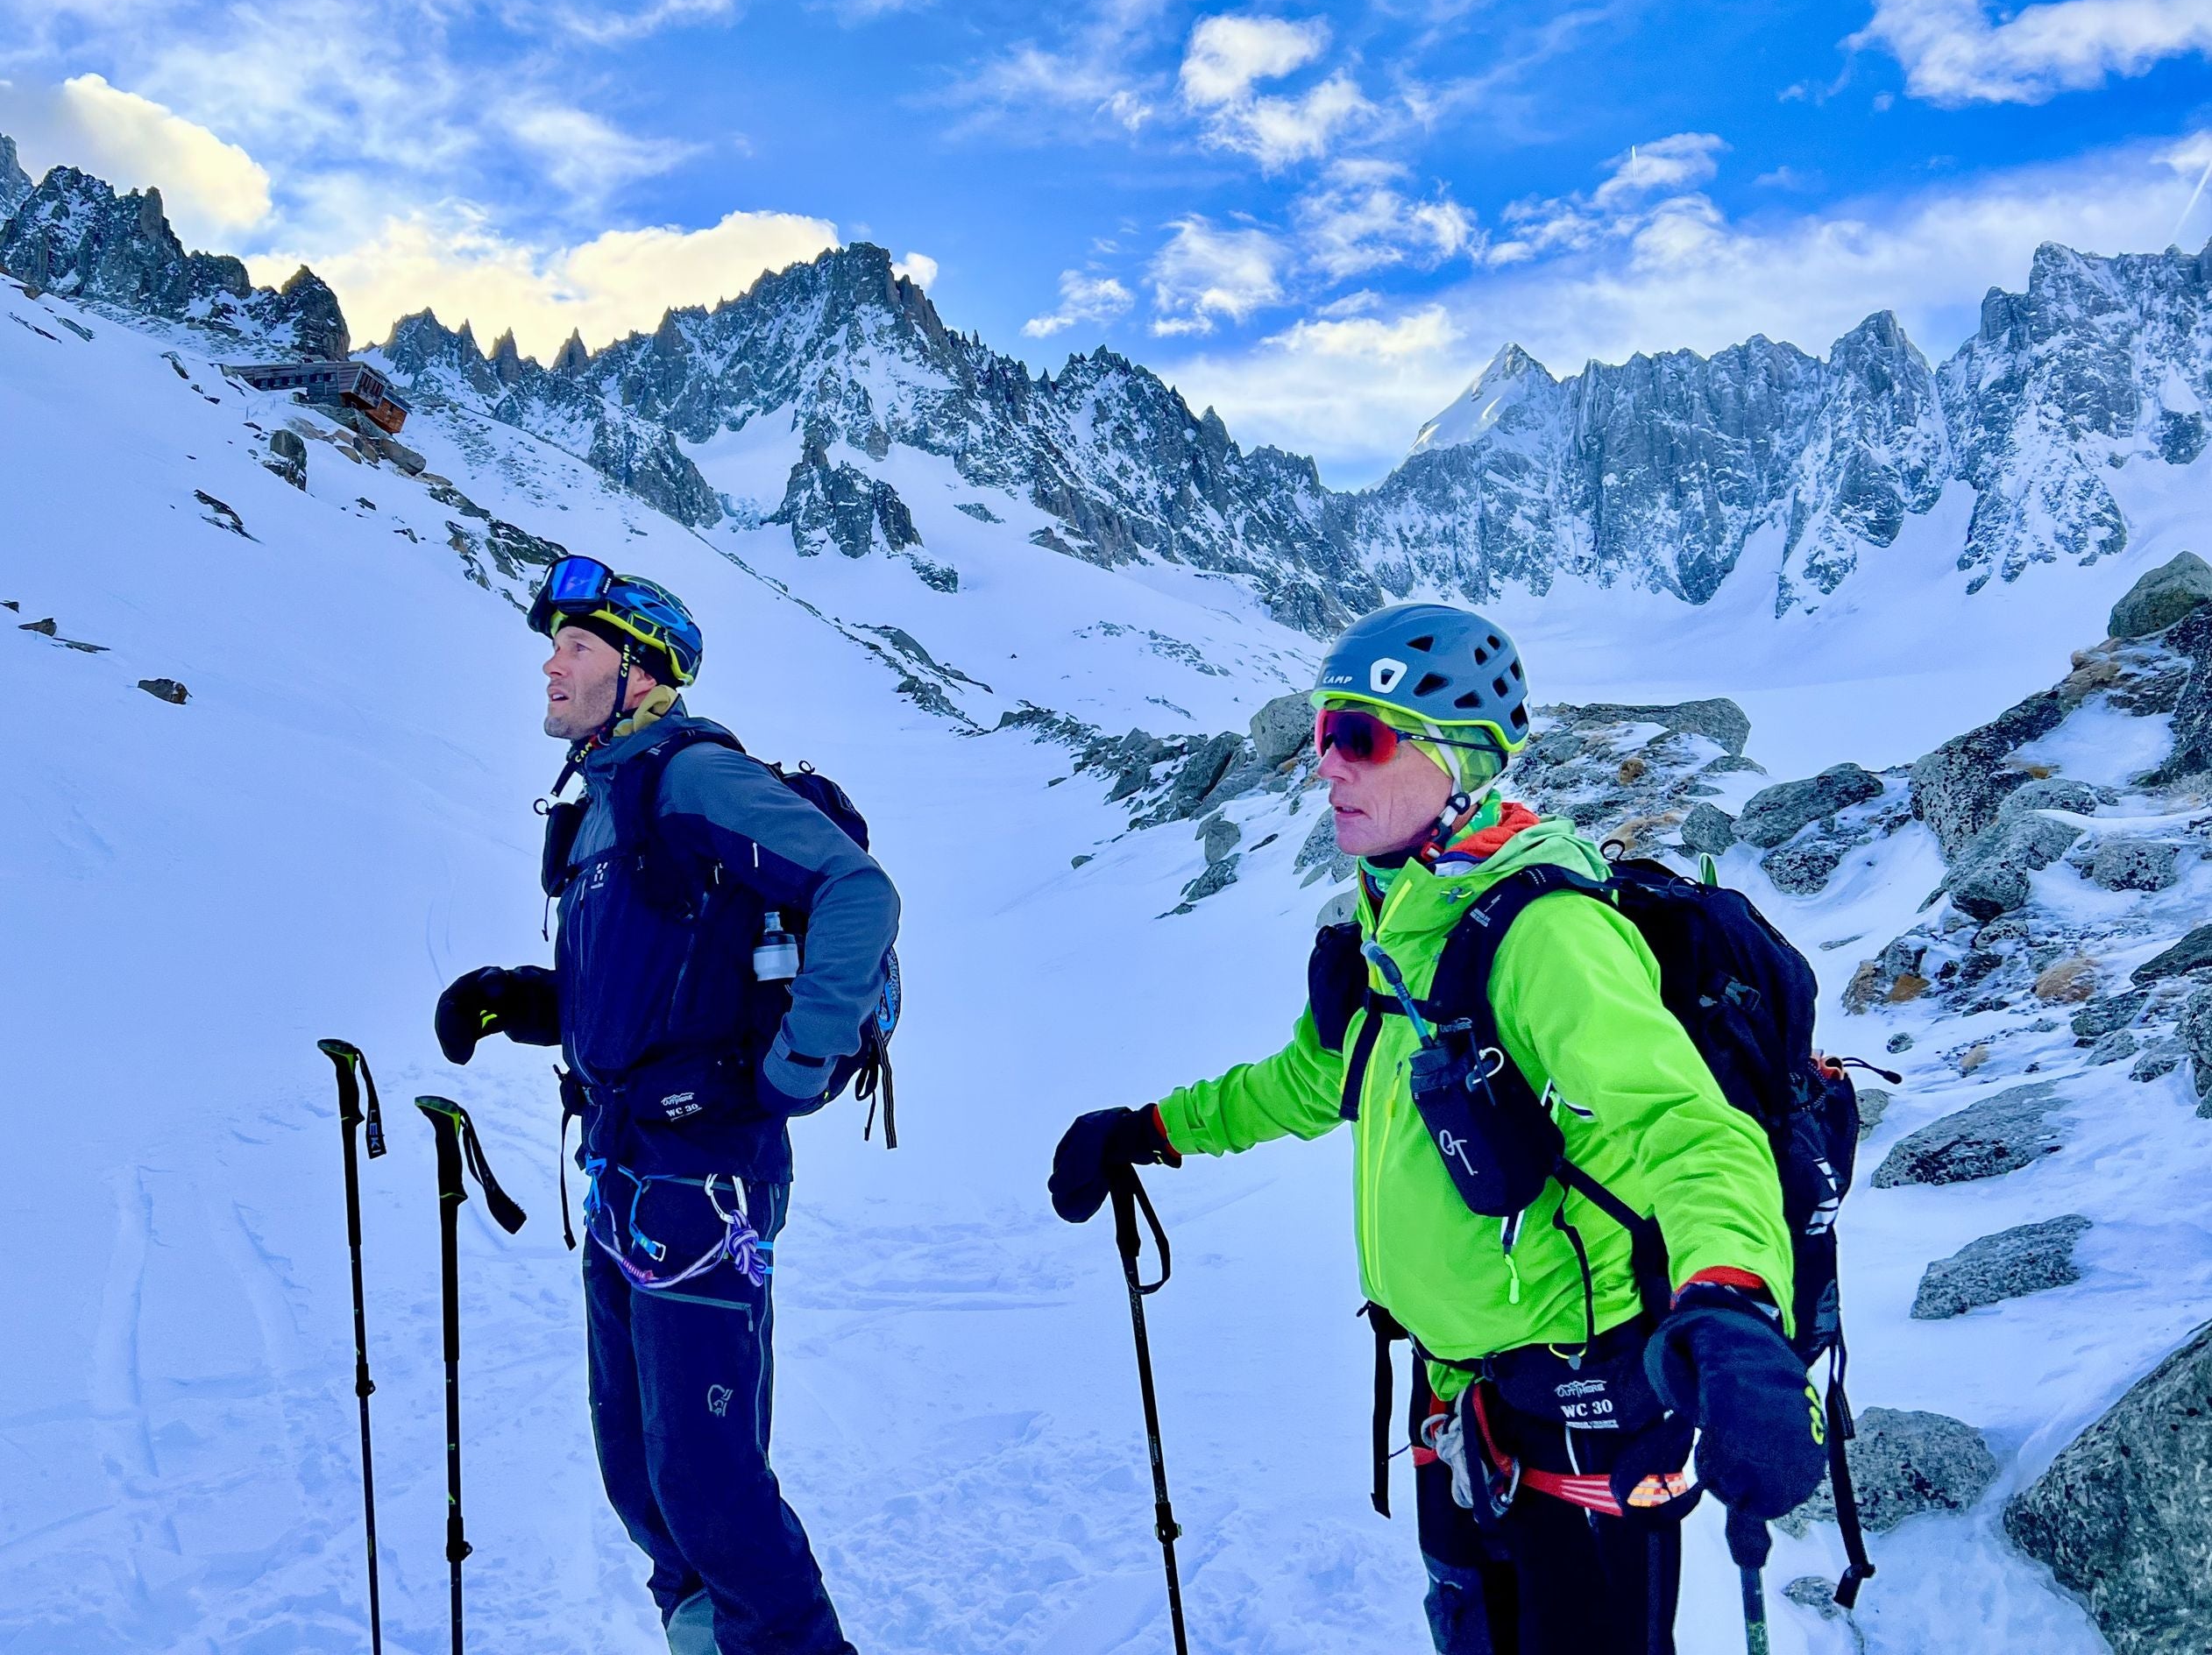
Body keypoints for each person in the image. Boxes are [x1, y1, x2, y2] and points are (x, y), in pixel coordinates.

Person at [1049, 603, 1825, 1653]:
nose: (1324, 764)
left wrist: (1733, 1306)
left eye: (1357, 737)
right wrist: (1151, 1128)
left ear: (1456, 761)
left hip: (1586, 1404)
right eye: (1323, 730)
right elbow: (1313, 1080)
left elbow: (1687, 1130)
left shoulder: (1548, 937)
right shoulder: (1398, 919)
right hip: (1458, 1402)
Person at [436, 555, 898, 1655]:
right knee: (641, 1474)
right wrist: (521, 1001)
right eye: (555, 645)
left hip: (706, 1180)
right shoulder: (602, 808)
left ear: (640, 673)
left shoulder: (689, 778)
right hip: (626, 1173)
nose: (552, 663)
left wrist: (794, 1069)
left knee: (707, 1482)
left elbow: (857, 891)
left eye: (578, 646)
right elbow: (651, 989)